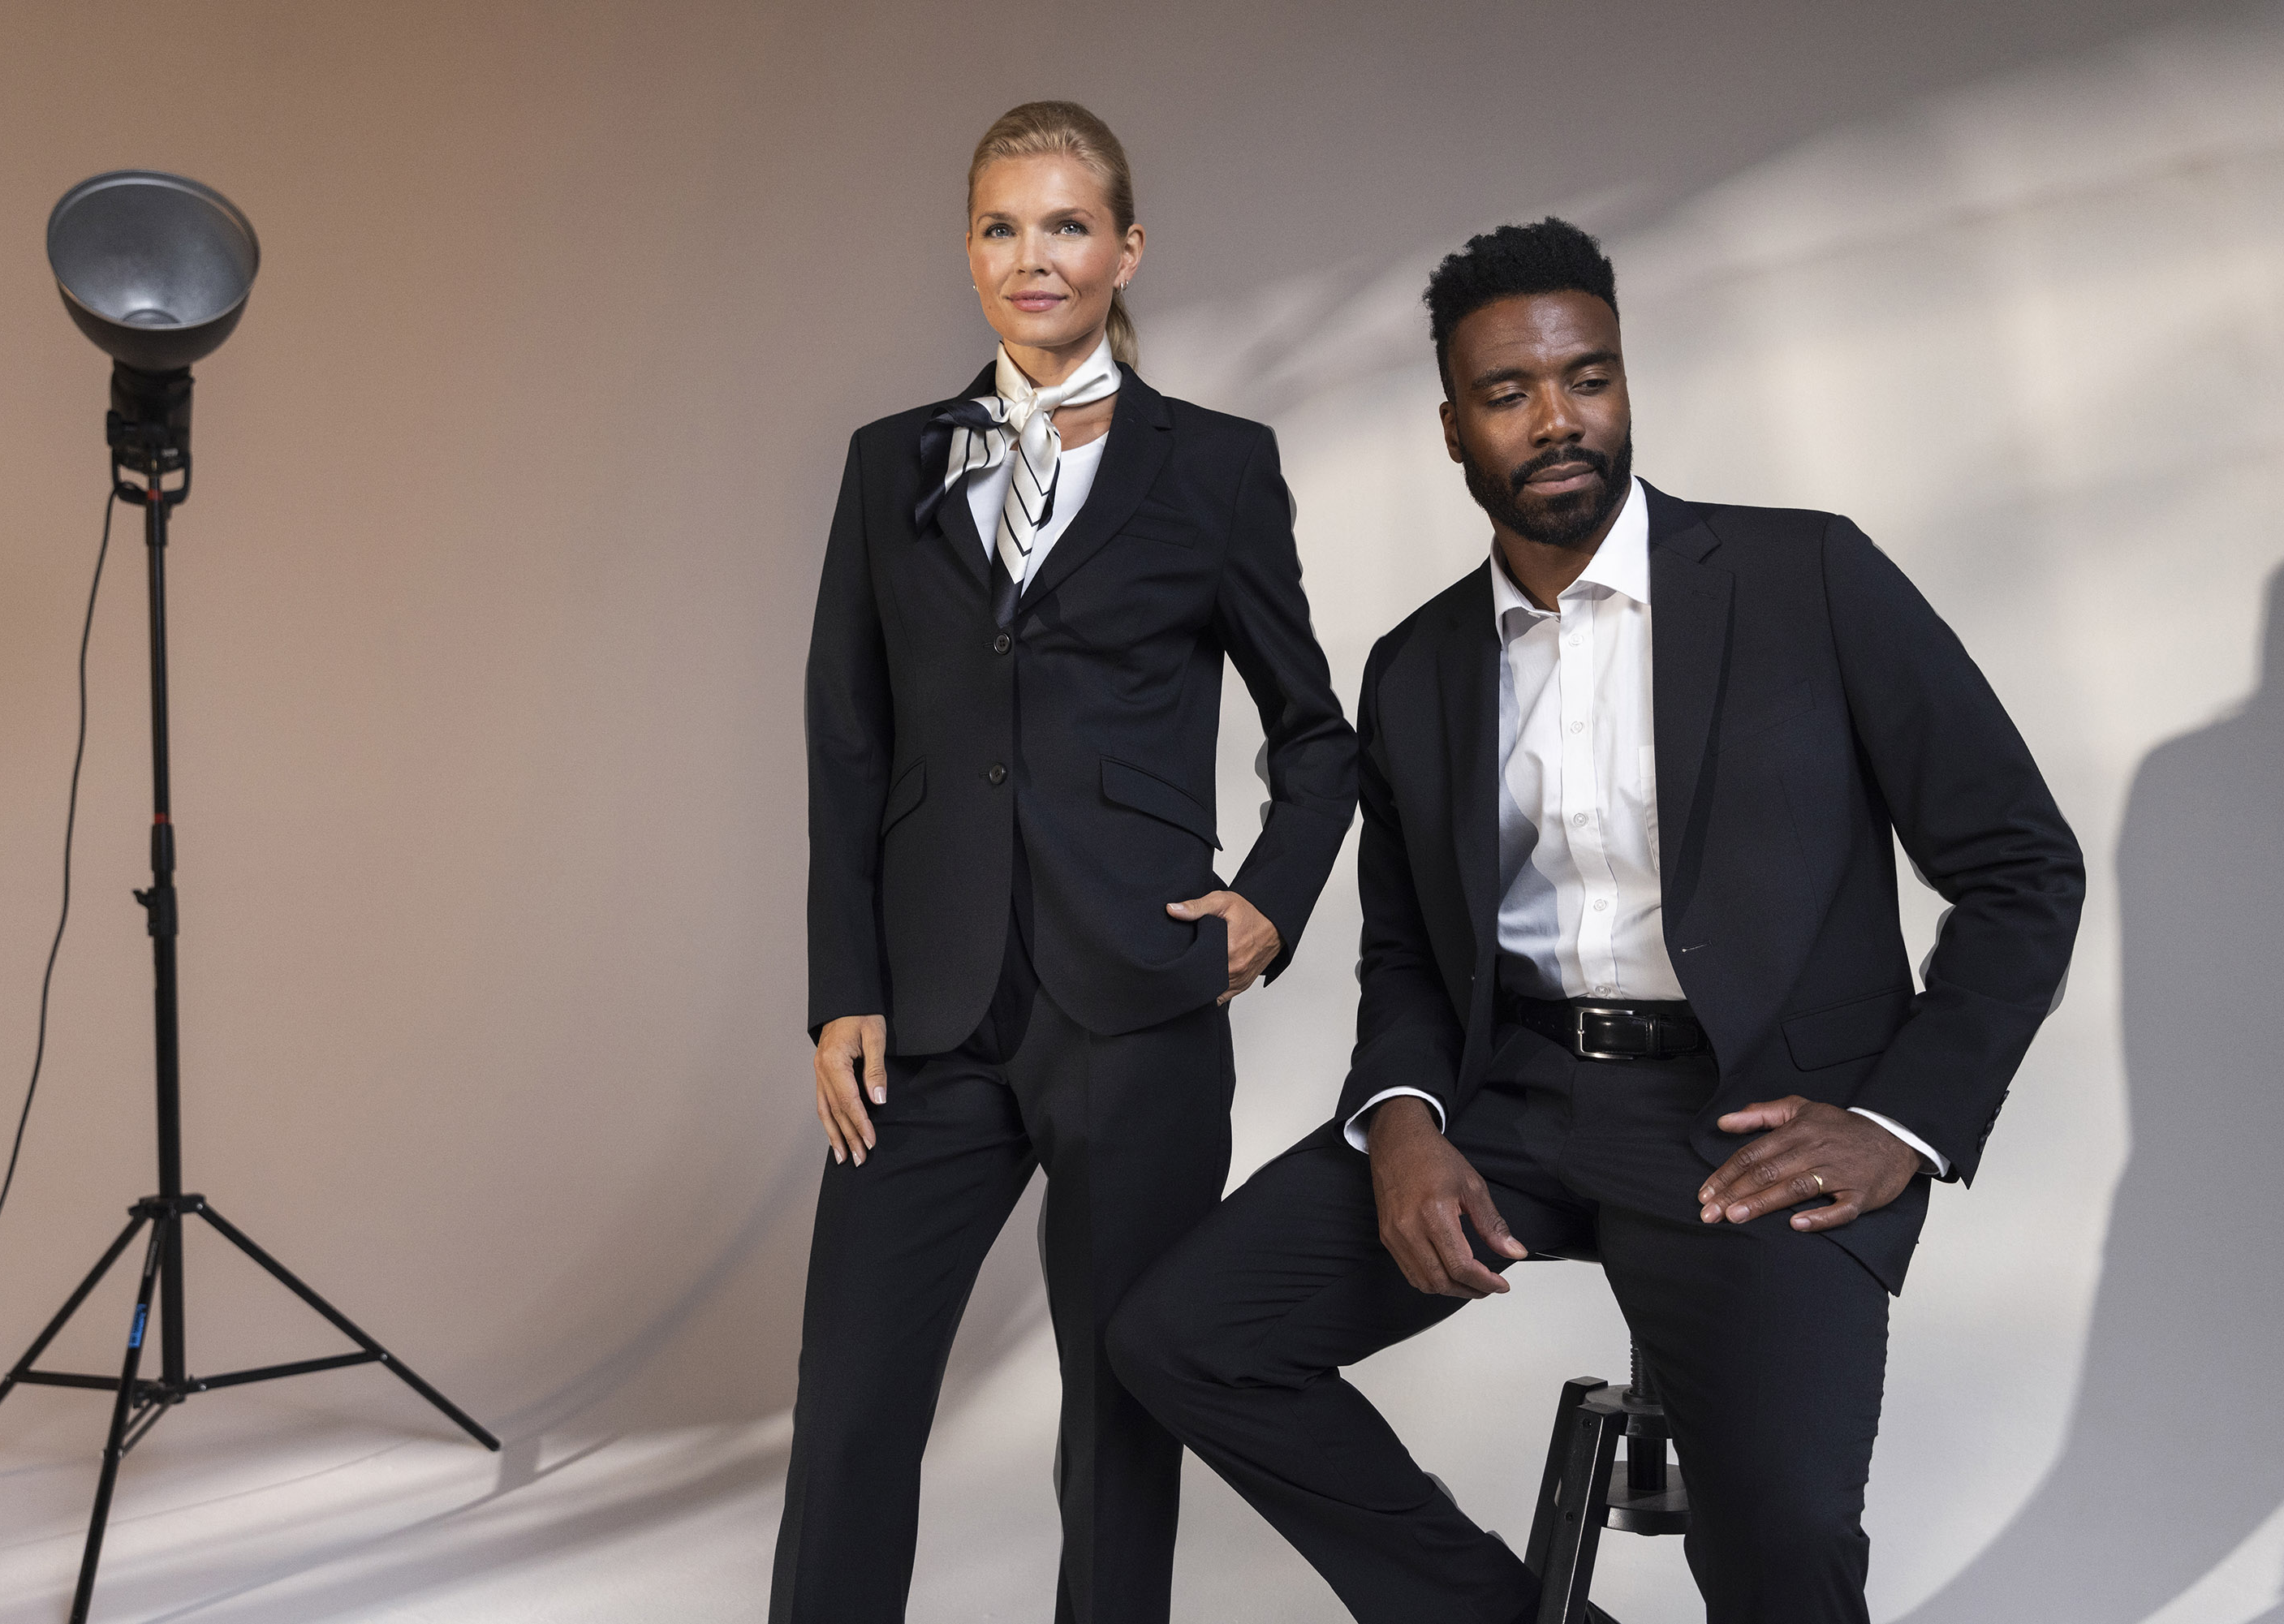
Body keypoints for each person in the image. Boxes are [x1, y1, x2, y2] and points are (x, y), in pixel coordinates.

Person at [1108, 218, 2085, 1623]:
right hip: (1513, 1105)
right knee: (1187, 1336)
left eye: (1589, 378)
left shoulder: (1808, 576)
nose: (1558, 419)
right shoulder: (1418, 665)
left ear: (1624, 382)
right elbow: (1409, 948)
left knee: (1784, 1539)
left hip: (1750, 1121)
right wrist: (1401, 1120)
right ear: (1453, 428)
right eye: (1508, 393)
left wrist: (1897, 1121)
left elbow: (2022, 867)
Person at [775, 101, 1357, 1624]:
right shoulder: (890, 463)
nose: (1032, 257)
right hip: (928, 1008)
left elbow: (1317, 733)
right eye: (1000, 226)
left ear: (1126, 250)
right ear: (970, 249)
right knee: (850, 1406)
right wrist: (843, 987)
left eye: (1066, 225)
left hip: (1138, 999)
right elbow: (846, 743)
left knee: (1118, 1419)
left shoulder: (1217, 467)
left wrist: (1270, 905)